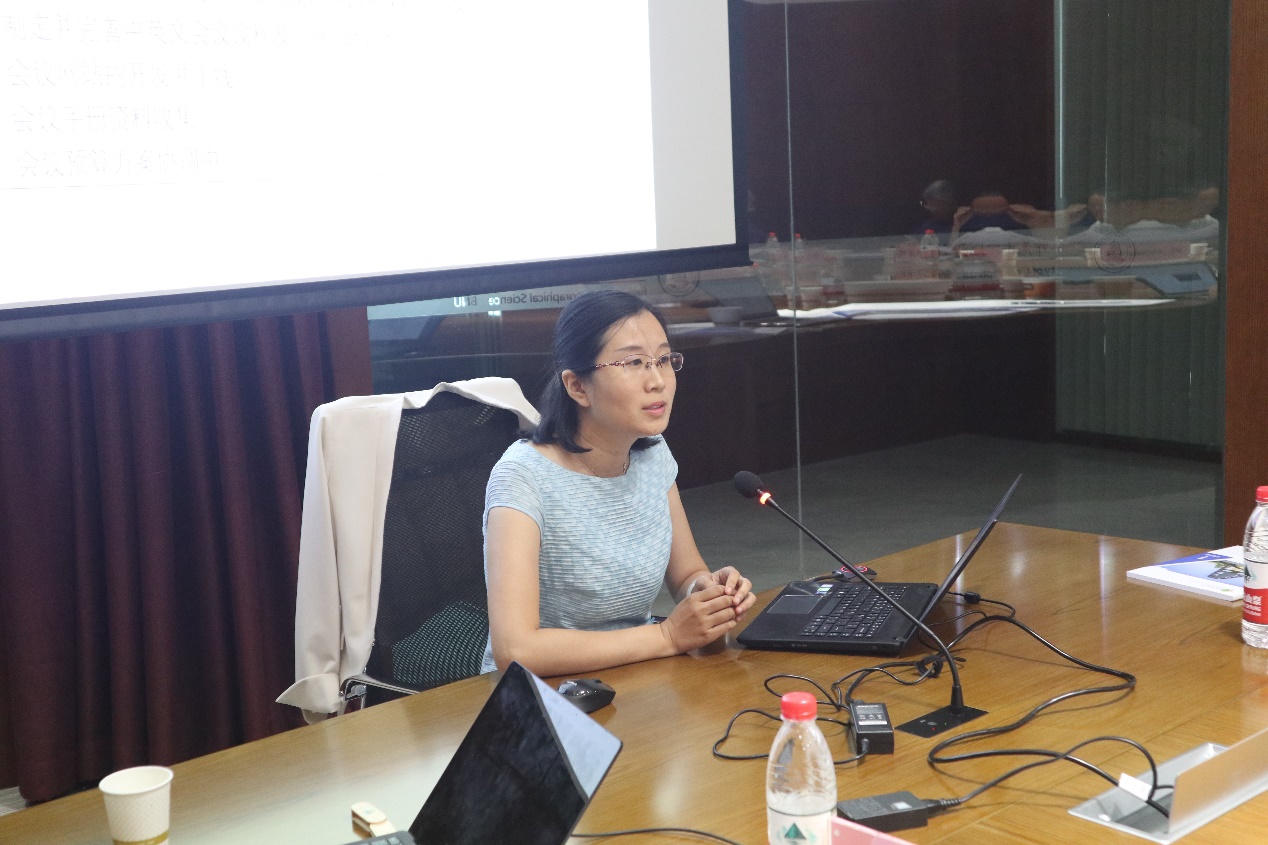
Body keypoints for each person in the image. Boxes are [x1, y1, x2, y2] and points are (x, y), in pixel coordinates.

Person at [481, 290, 756, 677]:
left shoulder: (652, 452)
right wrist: (667, 636)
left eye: (664, 360)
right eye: (634, 363)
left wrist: (709, 593)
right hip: (542, 693)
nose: (657, 381)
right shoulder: (523, 477)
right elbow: (516, 650)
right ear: (577, 386)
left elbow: (686, 573)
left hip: (634, 675)